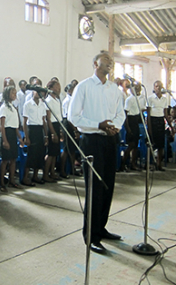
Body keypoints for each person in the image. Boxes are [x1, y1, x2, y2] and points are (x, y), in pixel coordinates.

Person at [68, 51, 125, 255]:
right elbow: (73, 117)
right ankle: (91, 236)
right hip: (91, 140)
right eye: (105, 59)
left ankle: (101, 227)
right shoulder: (84, 86)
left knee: (107, 185)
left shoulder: (114, 89)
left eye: (111, 60)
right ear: (95, 63)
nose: (109, 62)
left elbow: (120, 113)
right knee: (94, 188)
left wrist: (114, 127)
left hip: (110, 140)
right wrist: (98, 125)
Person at [0, 86, 24, 192]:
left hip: (13, 133)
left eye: (15, 93)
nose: (15, 94)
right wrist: (4, 140)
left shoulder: (13, 107)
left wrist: (20, 137)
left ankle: (12, 180)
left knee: (13, 159)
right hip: (6, 134)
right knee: (5, 160)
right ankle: (1, 183)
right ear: (7, 94)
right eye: (13, 93)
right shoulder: (3, 107)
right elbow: (2, 125)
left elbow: (15, 126)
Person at [22, 85, 48, 186]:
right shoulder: (28, 104)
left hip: (39, 129)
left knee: (40, 154)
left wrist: (46, 135)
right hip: (31, 129)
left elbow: (44, 120)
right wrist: (26, 136)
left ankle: (35, 176)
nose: (39, 93)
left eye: (41, 92)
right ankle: (25, 177)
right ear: (33, 92)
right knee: (31, 154)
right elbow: (24, 122)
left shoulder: (42, 104)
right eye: (37, 91)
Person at [122, 82, 145, 171]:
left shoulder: (141, 98)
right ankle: (123, 164)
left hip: (136, 120)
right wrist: (128, 128)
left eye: (138, 87)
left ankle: (133, 163)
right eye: (135, 87)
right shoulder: (129, 99)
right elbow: (126, 115)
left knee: (135, 145)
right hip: (130, 122)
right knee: (131, 145)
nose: (136, 89)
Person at [147, 80, 169, 171]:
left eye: (160, 86)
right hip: (153, 120)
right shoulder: (150, 98)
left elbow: (166, 113)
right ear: (154, 88)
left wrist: (170, 124)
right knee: (152, 143)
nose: (158, 88)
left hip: (160, 120)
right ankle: (151, 163)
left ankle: (159, 164)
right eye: (156, 86)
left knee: (160, 145)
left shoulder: (165, 99)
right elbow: (148, 113)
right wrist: (149, 127)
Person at [44, 80, 62, 182]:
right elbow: (48, 119)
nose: (58, 89)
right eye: (56, 87)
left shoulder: (57, 100)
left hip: (57, 125)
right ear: (50, 88)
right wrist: (53, 133)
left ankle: (52, 172)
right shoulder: (49, 100)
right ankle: (46, 174)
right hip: (51, 126)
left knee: (55, 152)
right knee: (50, 152)